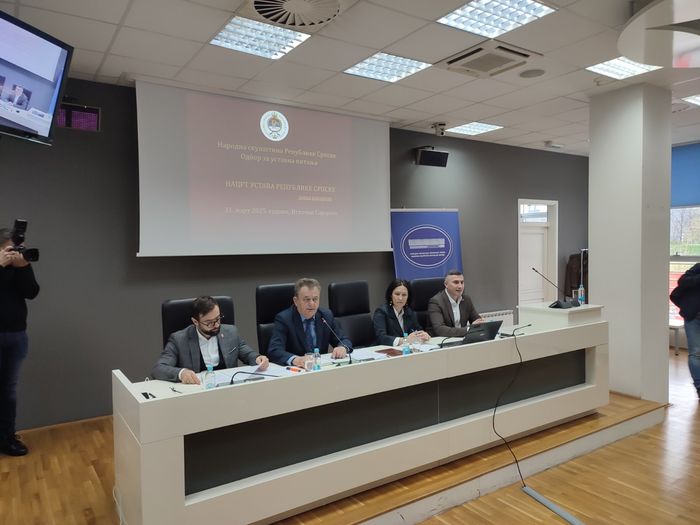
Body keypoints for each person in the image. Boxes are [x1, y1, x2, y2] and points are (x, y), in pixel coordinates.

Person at [152, 296, 268, 384]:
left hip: (228, 389)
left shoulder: (231, 332)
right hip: (197, 391)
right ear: (195, 322)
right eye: (209, 322)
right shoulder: (179, 339)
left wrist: (258, 358)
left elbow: (247, 353)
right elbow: (159, 368)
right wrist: (181, 373)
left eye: (218, 319)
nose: (216, 325)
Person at [0, 228, 39, 456]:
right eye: (10, 249)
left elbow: (32, 292)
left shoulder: (19, 266)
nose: (15, 253)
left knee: (9, 391)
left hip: (16, 335)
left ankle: (7, 437)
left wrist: (23, 267)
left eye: (18, 249)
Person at [267, 278, 352, 366]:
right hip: (296, 370)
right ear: (296, 301)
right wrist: (296, 359)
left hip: (321, 367)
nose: (312, 303)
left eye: (315, 299)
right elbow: (274, 350)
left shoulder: (326, 315)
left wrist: (342, 347)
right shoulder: (284, 319)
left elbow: (343, 340)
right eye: (307, 299)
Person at [670, 263, 700, 398]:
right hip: (694, 317)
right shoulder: (698, 267)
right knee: (695, 353)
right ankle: (699, 387)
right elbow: (682, 281)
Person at [373, 279, 430, 346]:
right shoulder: (381, 312)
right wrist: (405, 340)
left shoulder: (410, 312)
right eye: (397, 294)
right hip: (386, 349)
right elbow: (381, 338)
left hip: (406, 349)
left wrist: (423, 335)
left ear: (408, 297)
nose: (400, 298)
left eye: (404, 295)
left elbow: (417, 330)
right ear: (391, 295)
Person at [428, 269, 483, 337]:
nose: (460, 286)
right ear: (446, 284)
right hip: (441, 340)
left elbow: (477, 320)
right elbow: (440, 329)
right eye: (456, 282)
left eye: (462, 282)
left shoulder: (466, 300)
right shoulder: (436, 302)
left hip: (462, 338)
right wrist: (468, 329)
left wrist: (481, 324)